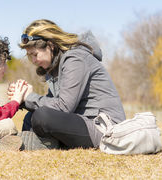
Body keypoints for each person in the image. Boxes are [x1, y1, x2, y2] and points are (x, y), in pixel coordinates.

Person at [8, 19, 126, 150]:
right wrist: (21, 100)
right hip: (83, 121)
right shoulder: (55, 67)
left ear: (51, 45)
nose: (33, 60)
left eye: (35, 54)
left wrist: (28, 97)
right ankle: (22, 146)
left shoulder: (75, 59)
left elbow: (64, 106)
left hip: (105, 128)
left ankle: (41, 144)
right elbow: (53, 103)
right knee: (31, 116)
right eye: (30, 55)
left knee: (42, 116)